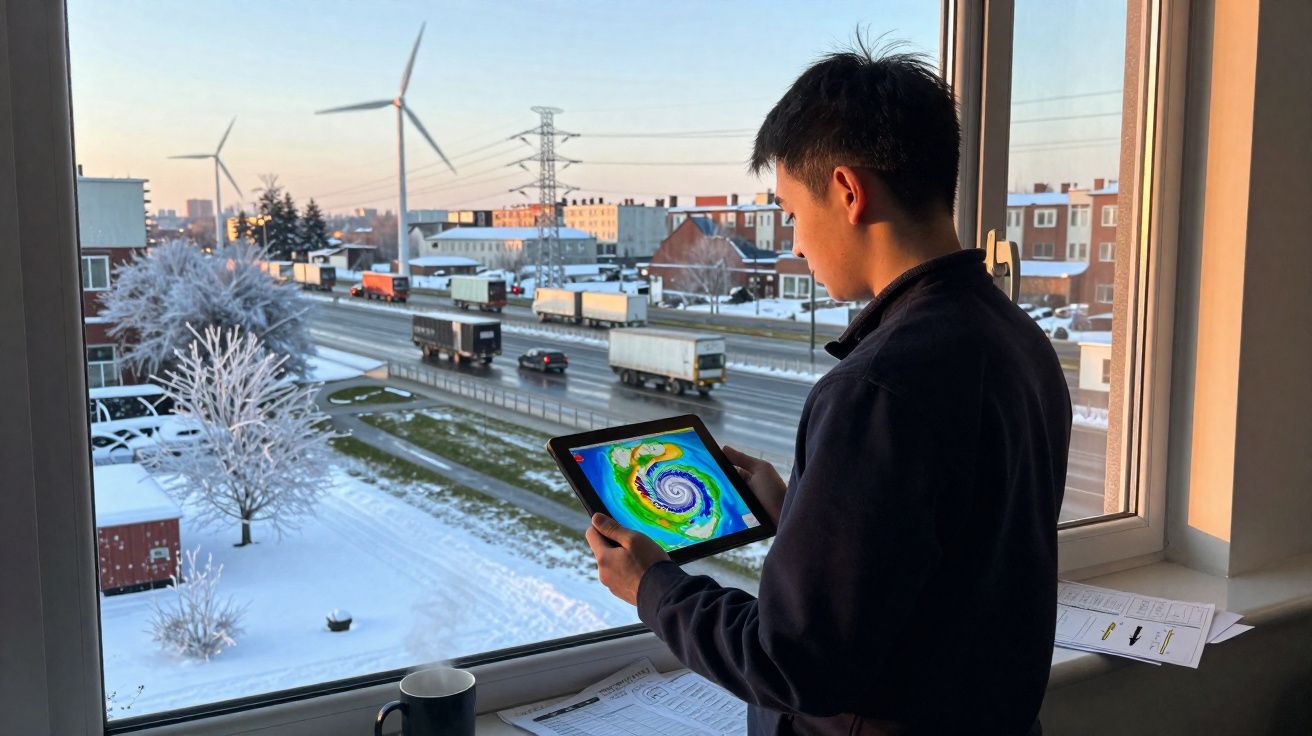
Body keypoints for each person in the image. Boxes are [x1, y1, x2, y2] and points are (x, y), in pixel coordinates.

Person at [585, 42, 1071, 736]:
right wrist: (802, 513)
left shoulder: (878, 386)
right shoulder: (1016, 339)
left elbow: (797, 664)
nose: (797, 239)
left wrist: (653, 588)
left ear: (847, 191)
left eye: (789, 209)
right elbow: (950, 560)